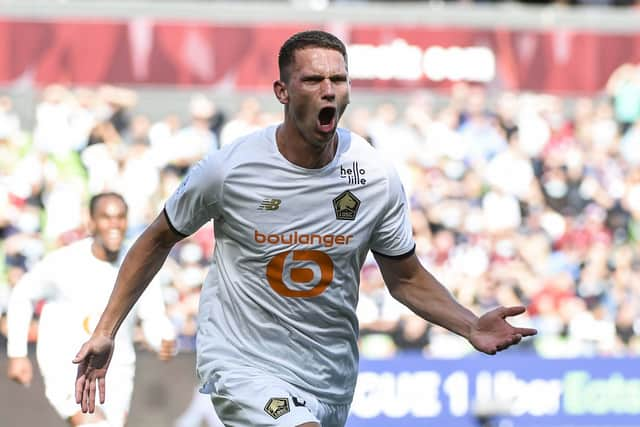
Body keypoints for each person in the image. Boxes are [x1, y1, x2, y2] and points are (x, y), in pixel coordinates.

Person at [73, 31, 537, 427]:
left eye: (338, 79)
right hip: (240, 361)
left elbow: (406, 277)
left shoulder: (374, 175)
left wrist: (469, 324)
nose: (328, 90)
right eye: (313, 79)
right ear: (282, 91)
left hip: (328, 373)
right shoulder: (228, 170)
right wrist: (107, 328)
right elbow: (157, 239)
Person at [6, 192, 176, 427]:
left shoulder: (138, 263)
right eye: (106, 217)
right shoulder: (64, 262)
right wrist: (17, 352)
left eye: (120, 217)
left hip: (118, 370)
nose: (114, 224)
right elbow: (22, 295)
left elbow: (153, 316)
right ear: (91, 222)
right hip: (67, 364)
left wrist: (162, 339)